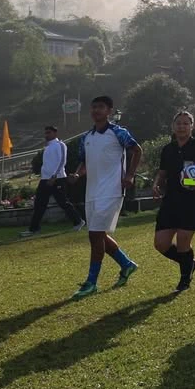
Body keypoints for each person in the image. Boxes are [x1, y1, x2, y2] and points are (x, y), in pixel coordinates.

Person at [66, 96, 142, 299]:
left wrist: (130, 175)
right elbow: (84, 164)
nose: (96, 110)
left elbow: (137, 150)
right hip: (92, 192)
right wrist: (76, 174)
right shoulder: (86, 137)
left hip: (112, 190)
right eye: (93, 107)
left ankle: (91, 283)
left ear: (109, 110)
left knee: (95, 235)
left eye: (100, 107)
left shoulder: (118, 132)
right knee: (97, 234)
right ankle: (127, 265)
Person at [151, 110, 195, 293]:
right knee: (161, 243)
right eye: (178, 123)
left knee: (183, 240)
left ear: (191, 126)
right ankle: (189, 263)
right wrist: (156, 184)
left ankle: (184, 280)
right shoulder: (168, 149)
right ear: (173, 126)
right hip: (171, 200)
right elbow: (162, 172)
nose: (182, 126)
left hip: (192, 201)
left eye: (185, 123)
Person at [21, 124, 85, 236]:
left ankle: (78, 221)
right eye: (45, 133)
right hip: (45, 179)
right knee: (39, 204)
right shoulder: (47, 148)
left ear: (55, 133)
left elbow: (62, 161)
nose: (46, 135)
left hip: (57, 179)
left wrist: (54, 176)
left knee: (63, 202)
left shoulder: (60, 145)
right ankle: (34, 229)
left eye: (49, 133)